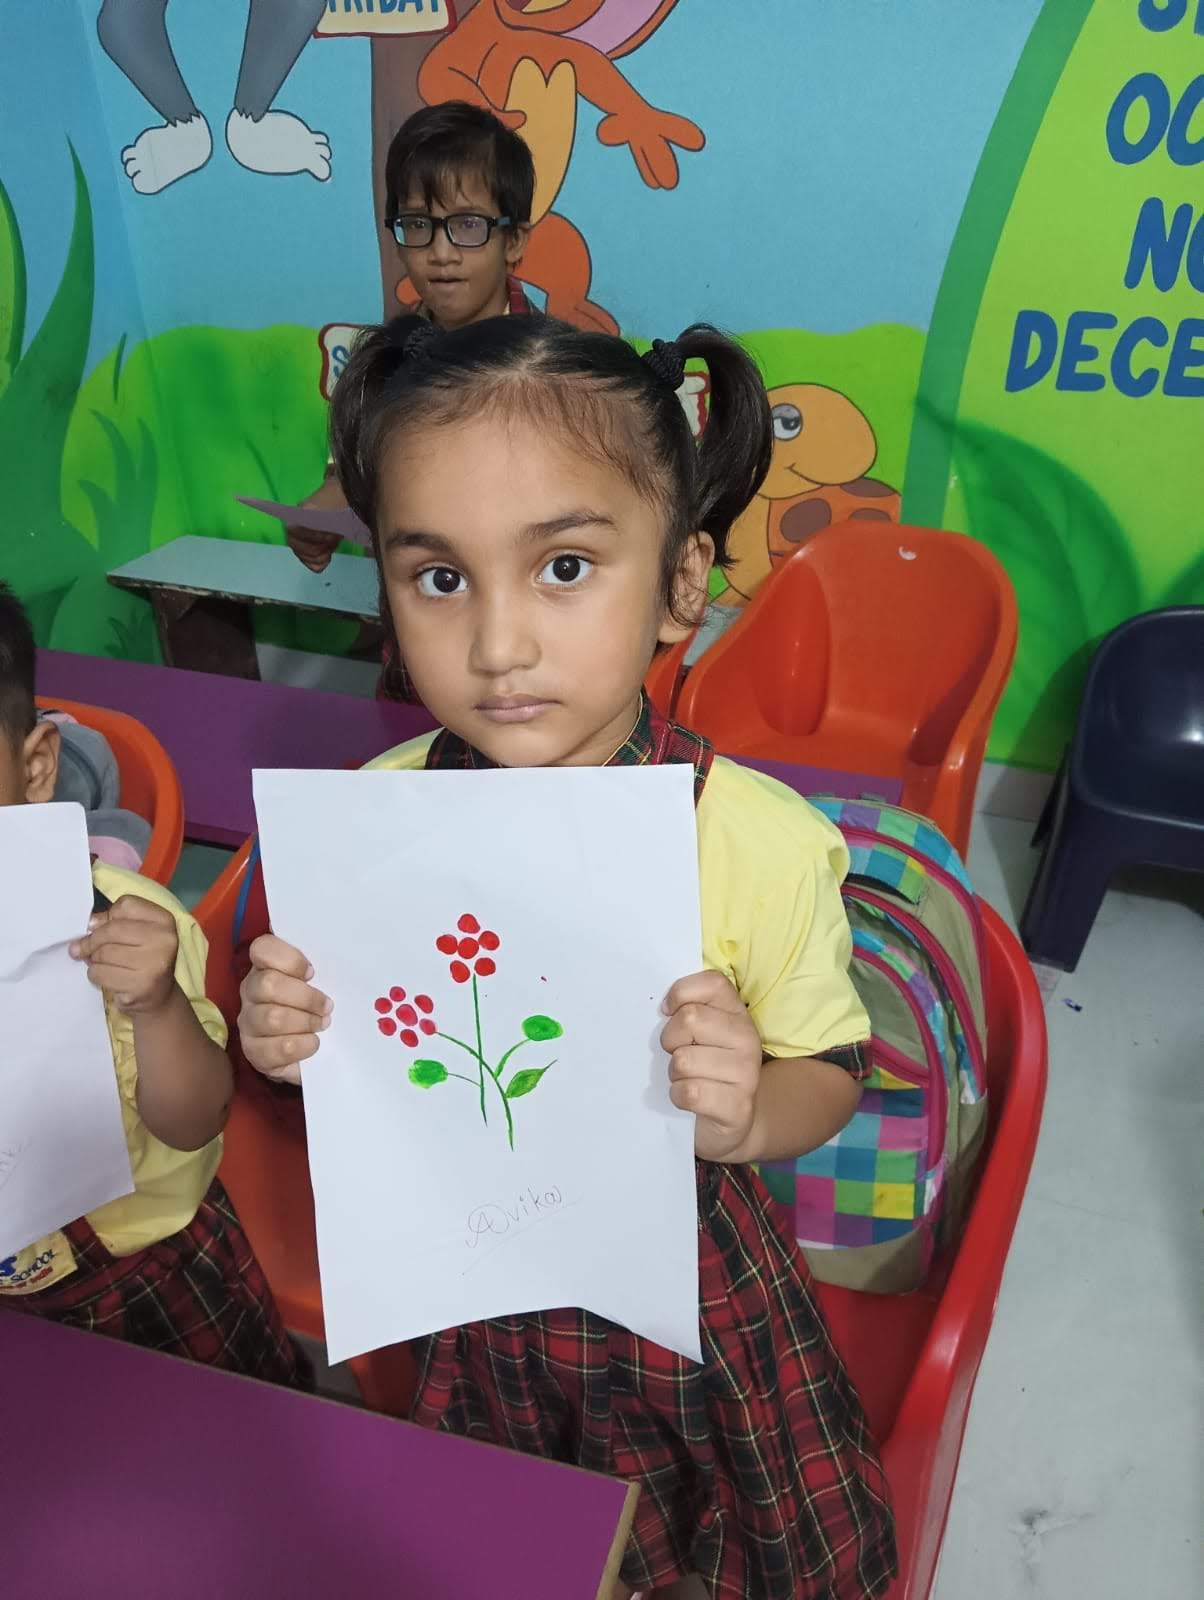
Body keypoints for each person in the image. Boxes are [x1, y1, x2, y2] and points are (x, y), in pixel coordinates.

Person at [237, 314, 896, 1599]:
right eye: (439, 578)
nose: (497, 646)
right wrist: (292, 1045)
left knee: (747, 1547)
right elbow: (364, 1078)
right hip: (481, 1297)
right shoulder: (376, 818)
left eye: (564, 567)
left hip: (688, 1304)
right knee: (531, 1541)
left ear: (682, 582)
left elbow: (831, 1066)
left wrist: (750, 1110)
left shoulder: (754, 843)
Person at [0, 583, 300, 1386]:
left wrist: (159, 1003)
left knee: (229, 1432)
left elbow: (195, 1120)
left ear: (34, 767)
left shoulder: (125, 921)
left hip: (145, 1270)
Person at [286, 100, 537, 580]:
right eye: (418, 225)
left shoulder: (558, 369)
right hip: (416, 605)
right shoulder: (381, 366)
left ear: (513, 241)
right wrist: (323, 512)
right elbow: (356, 476)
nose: (441, 253)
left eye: (467, 224)